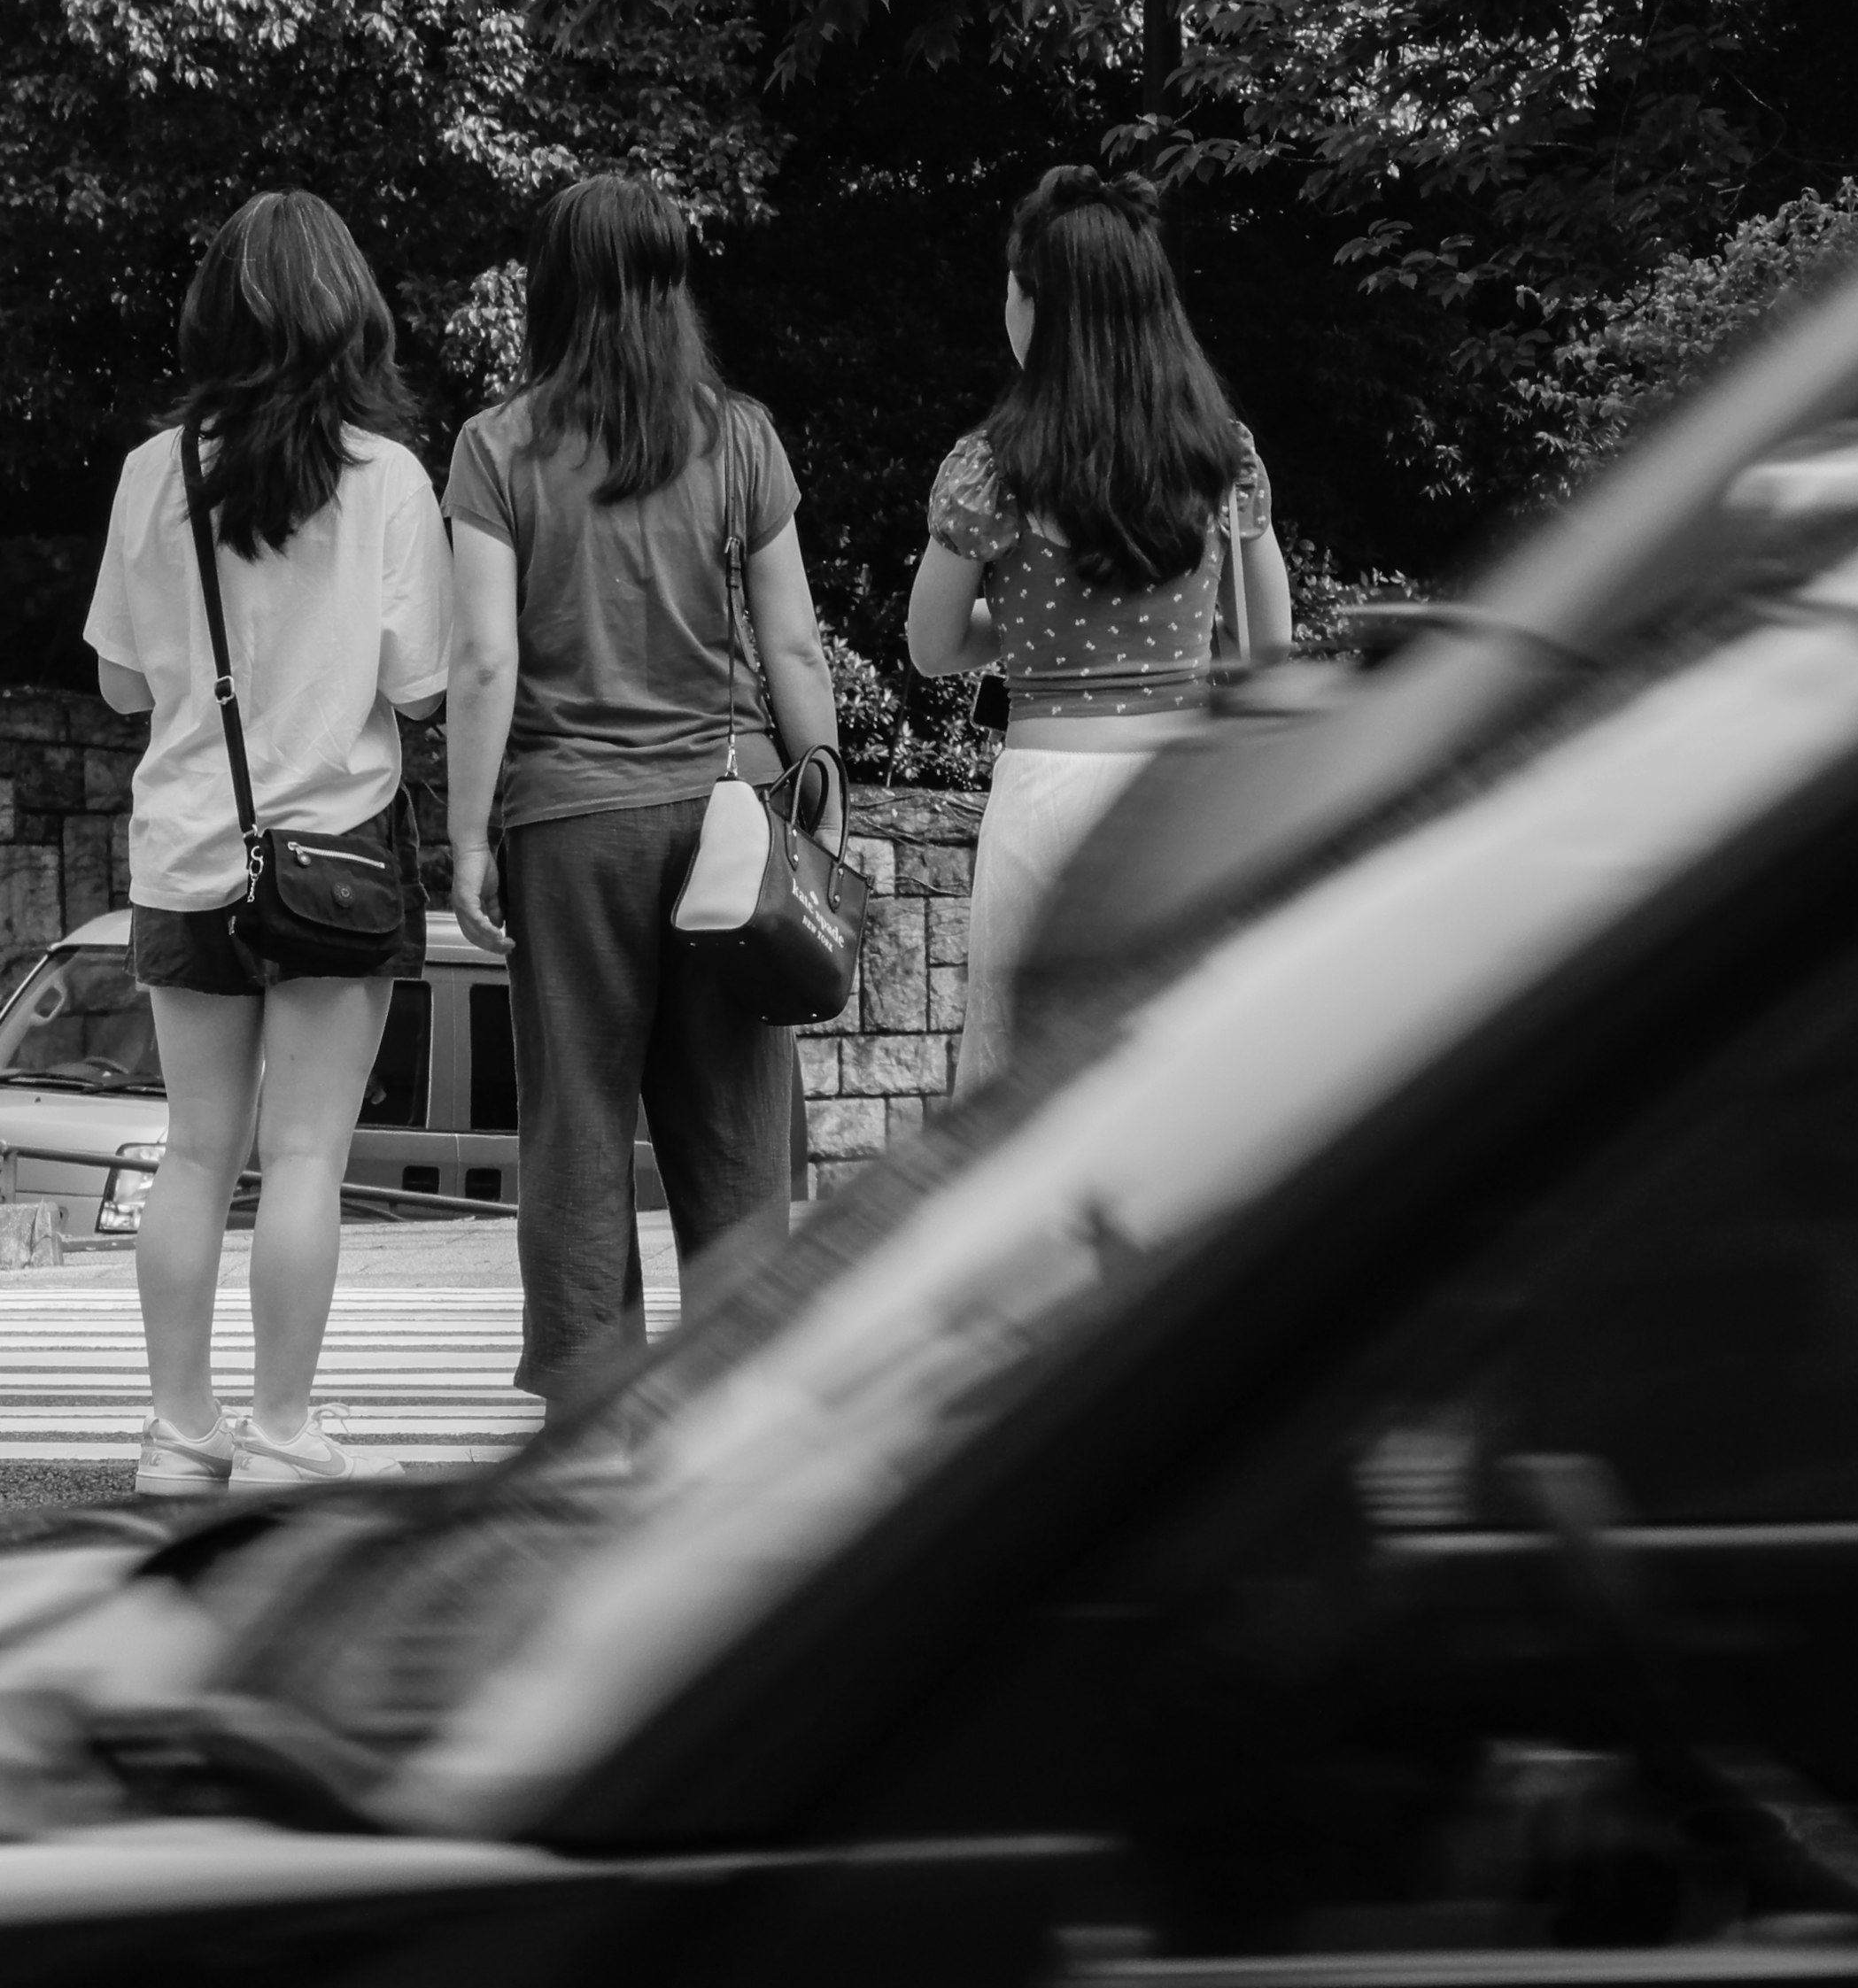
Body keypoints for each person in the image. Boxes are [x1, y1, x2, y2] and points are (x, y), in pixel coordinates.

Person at [442, 174, 841, 1409]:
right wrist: (820, 790)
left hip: (566, 826)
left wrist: (466, 834)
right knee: (732, 1122)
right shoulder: (739, 439)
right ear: (673, 288)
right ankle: (742, 1389)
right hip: (724, 820)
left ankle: (588, 1393)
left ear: (552, 289)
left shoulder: (497, 446)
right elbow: (794, 646)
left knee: (577, 1112)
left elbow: (487, 657)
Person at [84, 191, 449, 1493]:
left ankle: (178, 1437)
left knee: (194, 1152)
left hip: (188, 856)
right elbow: (419, 685)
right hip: (337, 862)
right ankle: (285, 1434)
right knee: (305, 1160)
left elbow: (125, 689)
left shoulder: (149, 472)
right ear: (346, 312)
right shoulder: (388, 480)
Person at [907, 165, 1288, 1090]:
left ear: (1035, 304)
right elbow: (1269, 648)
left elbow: (933, 645)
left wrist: (1031, 634)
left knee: (1023, 1096)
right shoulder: (1220, 456)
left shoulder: (993, 468)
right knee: (1170, 1082)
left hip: (1043, 794)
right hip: (1177, 797)